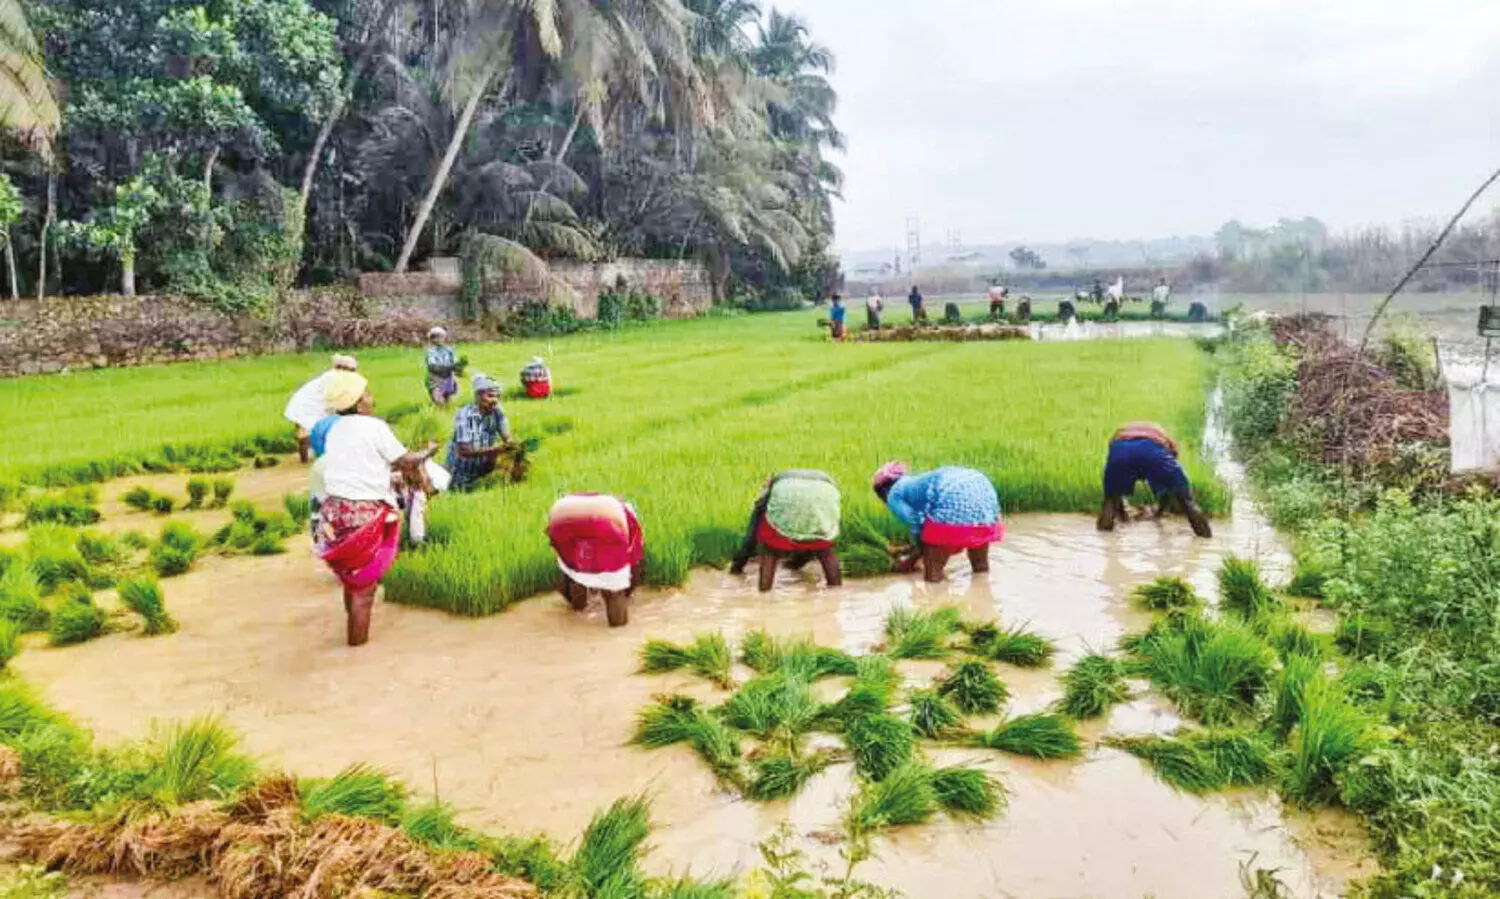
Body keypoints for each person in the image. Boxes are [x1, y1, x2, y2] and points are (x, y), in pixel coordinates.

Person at [315, 371, 438, 646]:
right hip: (364, 513)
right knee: (365, 591)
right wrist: (428, 451)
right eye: (367, 393)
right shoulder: (374, 427)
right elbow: (406, 461)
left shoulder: (335, 429)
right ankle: (356, 651)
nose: (372, 398)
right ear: (358, 403)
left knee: (352, 580)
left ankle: (352, 639)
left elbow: (364, 462)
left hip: (334, 513)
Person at [873, 462, 1004, 584]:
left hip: (954, 497)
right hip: (984, 500)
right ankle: (983, 592)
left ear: (882, 493)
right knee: (980, 570)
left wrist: (910, 560)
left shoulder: (893, 495)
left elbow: (915, 523)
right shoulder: (915, 482)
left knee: (933, 577)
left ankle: (936, 600)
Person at [729, 470, 843, 592]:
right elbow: (808, 539)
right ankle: (836, 591)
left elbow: (750, 538)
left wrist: (736, 567)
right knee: (823, 549)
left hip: (794, 495)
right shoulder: (823, 481)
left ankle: (764, 595)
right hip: (826, 495)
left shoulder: (773, 489)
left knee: (769, 550)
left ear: (768, 484)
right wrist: (792, 566)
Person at [1098, 421, 1212, 538]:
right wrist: (1159, 512)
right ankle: (1206, 540)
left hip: (1120, 451)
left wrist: (1123, 516)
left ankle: (1105, 541)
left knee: (1110, 501)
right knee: (1188, 503)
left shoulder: (1120, 431)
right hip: (1152, 452)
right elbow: (1169, 483)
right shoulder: (1164, 437)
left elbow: (1116, 488)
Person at [547, 493, 644, 627]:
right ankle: (617, 633)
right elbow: (634, 567)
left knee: (573, 570)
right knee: (614, 590)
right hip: (607, 519)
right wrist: (622, 592)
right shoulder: (631, 522)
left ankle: (577, 614)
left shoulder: (612, 505)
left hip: (561, 512)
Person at [446, 373, 514, 492]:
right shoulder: (464, 415)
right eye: (490, 396)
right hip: (460, 472)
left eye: (497, 397)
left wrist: (513, 446)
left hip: (483, 468)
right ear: (478, 395)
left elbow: (507, 437)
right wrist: (494, 451)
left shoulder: (497, 412)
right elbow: (464, 451)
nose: (495, 400)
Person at [284, 355, 359, 463]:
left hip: (308, 404)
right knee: (306, 433)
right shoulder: (335, 378)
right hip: (308, 405)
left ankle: (305, 459)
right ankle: (307, 459)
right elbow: (337, 399)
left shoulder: (335, 376)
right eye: (352, 370)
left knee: (307, 432)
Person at [425, 327, 459, 406]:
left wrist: (457, 366)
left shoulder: (448, 350)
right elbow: (432, 365)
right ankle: (439, 408)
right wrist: (446, 367)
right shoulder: (431, 351)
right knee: (438, 398)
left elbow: (454, 360)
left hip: (448, 376)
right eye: (437, 338)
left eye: (442, 337)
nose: (440, 339)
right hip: (436, 378)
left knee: (448, 396)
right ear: (432, 339)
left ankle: (447, 410)